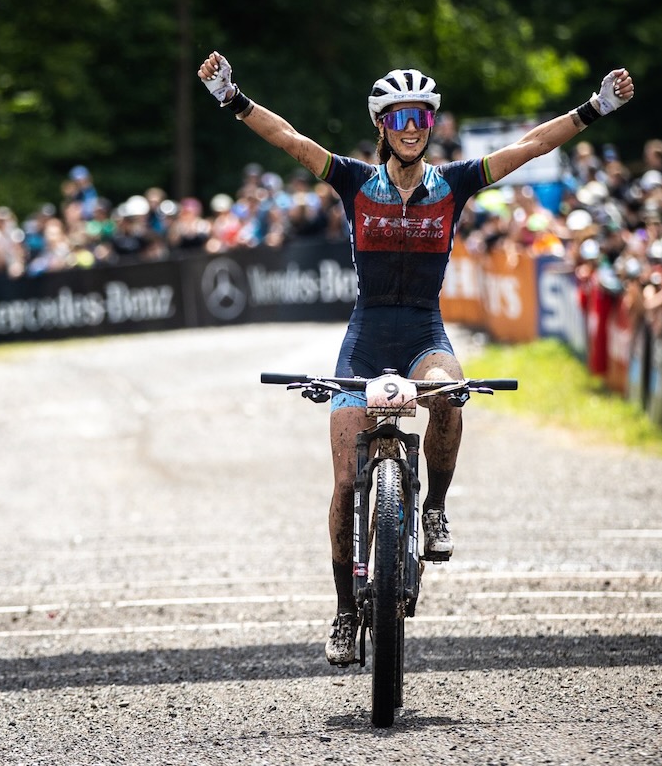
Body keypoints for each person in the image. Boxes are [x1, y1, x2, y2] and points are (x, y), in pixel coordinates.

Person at [198, 50, 635, 665]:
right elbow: (289, 139)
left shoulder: (453, 183)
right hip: (367, 334)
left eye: (422, 117)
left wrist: (598, 108)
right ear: (382, 124)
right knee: (346, 480)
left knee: (450, 395)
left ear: (431, 126)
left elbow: (531, 146)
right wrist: (231, 98)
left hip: (424, 332)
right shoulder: (352, 180)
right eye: (400, 116)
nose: (411, 126)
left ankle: (433, 508)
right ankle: (346, 610)